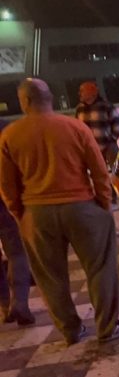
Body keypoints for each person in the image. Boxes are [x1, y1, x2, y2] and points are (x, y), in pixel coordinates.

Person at [0, 79, 119, 345]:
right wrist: (103, 206)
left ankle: (71, 330)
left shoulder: (11, 135)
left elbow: (6, 184)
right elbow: (98, 170)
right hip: (82, 207)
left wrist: (20, 214)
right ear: (49, 97)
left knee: (51, 276)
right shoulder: (74, 127)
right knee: (100, 267)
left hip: (36, 212)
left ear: (24, 101)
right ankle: (107, 327)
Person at [0, 119, 35, 326]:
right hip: (6, 201)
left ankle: (5, 307)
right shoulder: (9, 130)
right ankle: (20, 303)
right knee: (17, 253)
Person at [75, 81, 119, 205]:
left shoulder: (106, 106)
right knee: (100, 175)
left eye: (82, 91)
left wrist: (111, 139)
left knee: (115, 172)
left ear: (92, 92)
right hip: (91, 148)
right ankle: (109, 197)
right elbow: (77, 128)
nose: (79, 93)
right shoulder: (80, 108)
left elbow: (117, 124)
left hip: (108, 146)